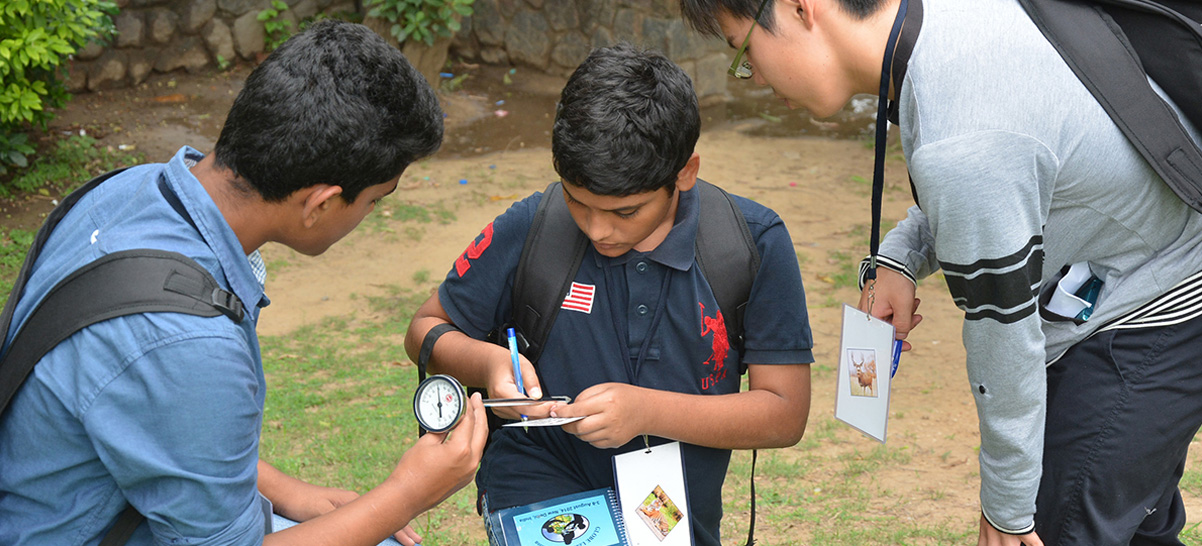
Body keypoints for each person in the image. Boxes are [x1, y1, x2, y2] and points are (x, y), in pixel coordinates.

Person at [676, 0, 1202, 544]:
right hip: (1138, 275)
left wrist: (1008, 510)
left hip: (1156, 308)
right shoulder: (947, 28)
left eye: (744, 51)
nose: (754, 78)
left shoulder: (962, 130)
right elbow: (997, 182)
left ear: (800, 8)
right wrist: (899, 258)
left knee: (1063, 528)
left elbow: (1005, 338)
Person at [0, 20, 488, 546]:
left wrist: (285, 490)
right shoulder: (188, 338)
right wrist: (406, 494)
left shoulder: (134, 190)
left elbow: (156, 421)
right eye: (375, 199)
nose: (371, 212)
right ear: (320, 203)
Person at [403, 43, 814, 546]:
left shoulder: (751, 243)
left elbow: (784, 413)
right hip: (537, 473)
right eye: (578, 202)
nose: (598, 230)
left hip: (671, 505)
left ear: (685, 172)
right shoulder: (533, 227)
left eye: (625, 213)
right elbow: (426, 327)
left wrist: (645, 412)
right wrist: (488, 366)